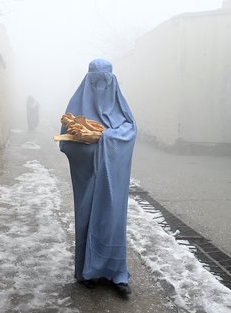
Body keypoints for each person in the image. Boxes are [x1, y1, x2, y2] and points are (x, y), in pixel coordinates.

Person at [59, 59, 137, 298]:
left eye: (105, 81)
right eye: (96, 82)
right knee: (87, 218)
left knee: (112, 221)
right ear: (88, 80)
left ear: (112, 81)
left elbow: (131, 130)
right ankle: (87, 272)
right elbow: (66, 140)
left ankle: (116, 273)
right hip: (88, 176)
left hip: (114, 177)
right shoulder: (77, 105)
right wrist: (89, 143)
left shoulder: (120, 105)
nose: (101, 87)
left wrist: (105, 138)